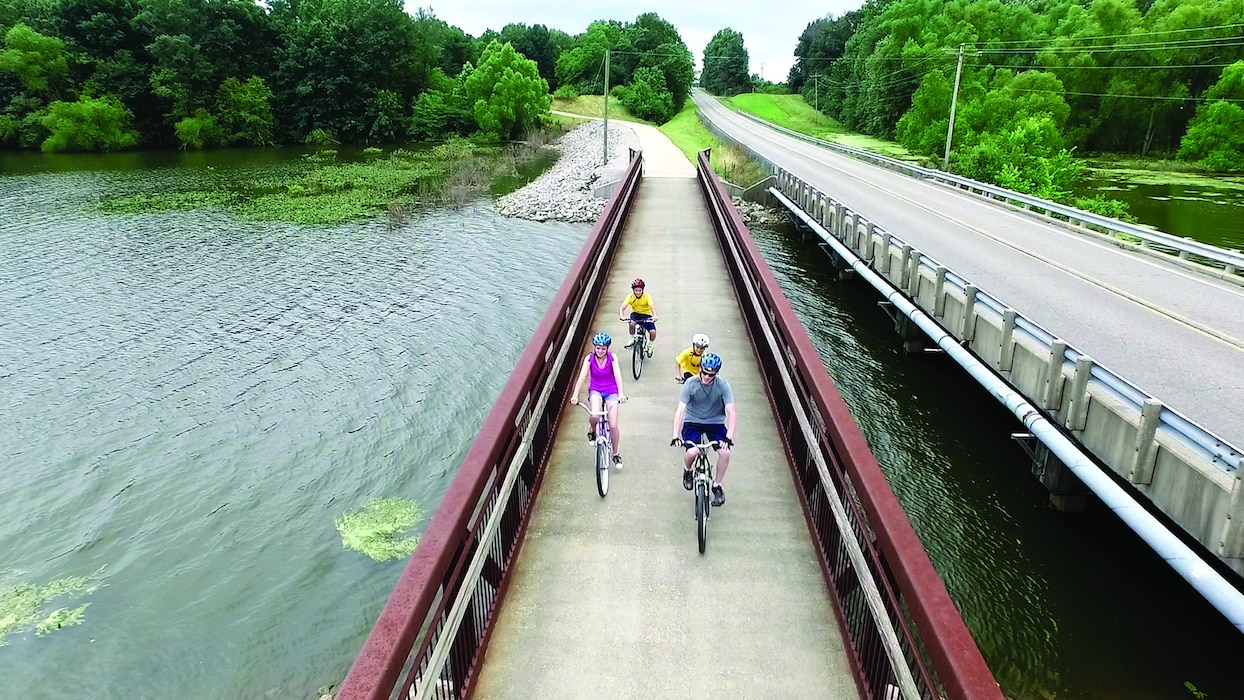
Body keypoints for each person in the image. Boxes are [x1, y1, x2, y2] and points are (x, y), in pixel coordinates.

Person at [669, 353, 735, 506]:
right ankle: (687, 470)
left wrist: (729, 436)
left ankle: (717, 486)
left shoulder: (723, 385)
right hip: (693, 421)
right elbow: (680, 411)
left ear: (716, 374)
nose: (706, 377)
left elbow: (732, 412)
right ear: (700, 369)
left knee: (725, 453)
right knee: (692, 451)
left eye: (710, 374)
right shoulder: (690, 384)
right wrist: (675, 435)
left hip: (715, 423)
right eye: (704, 372)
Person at [569, 331, 628, 467]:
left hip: (611, 390)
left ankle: (616, 454)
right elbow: (582, 377)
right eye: (598, 348)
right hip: (595, 389)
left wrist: (621, 394)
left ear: (607, 348)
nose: (600, 351)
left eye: (603, 348)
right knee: (594, 415)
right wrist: (575, 395)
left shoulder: (612, 357)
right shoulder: (589, 359)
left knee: (613, 425)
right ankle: (592, 429)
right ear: (594, 348)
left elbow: (618, 376)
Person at [618, 278, 657, 358]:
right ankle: (632, 339)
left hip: (646, 315)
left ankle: (650, 346)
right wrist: (622, 315)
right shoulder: (630, 297)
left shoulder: (647, 296)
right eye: (636, 290)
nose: (638, 292)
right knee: (631, 323)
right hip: (635, 314)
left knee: (653, 332)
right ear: (633, 291)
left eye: (640, 290)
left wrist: (655, 315)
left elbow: (651, 306)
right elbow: (622, 307)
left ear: (642, 290)